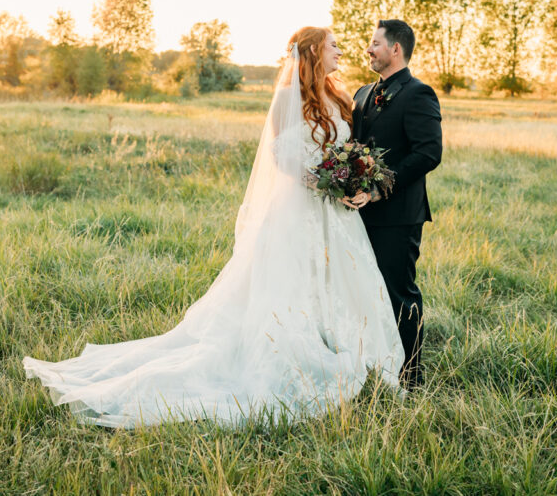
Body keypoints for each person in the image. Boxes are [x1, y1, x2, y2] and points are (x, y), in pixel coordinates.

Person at [23, 27, 404, 428]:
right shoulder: (286, 97)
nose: (340, 51)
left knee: (336, 279)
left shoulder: (340, 95)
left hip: (336, 214)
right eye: (333, 45)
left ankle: (346, 346)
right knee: (291, 283)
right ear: (312, 51)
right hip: (298, 208)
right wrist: (319, 181)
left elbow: (344, 149)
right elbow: (280, 153)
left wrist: (349, 177)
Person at [350, 19, 442, 389]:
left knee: (398, 294)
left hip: (398, 216)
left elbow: (428, 153)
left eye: (375, 43)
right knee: (361, 291)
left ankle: (410, 377)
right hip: (356, 214)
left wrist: (378, 188)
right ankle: (372, 366)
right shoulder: (361, 93)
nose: (368, 49)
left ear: (395, 49)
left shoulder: (418, 93)